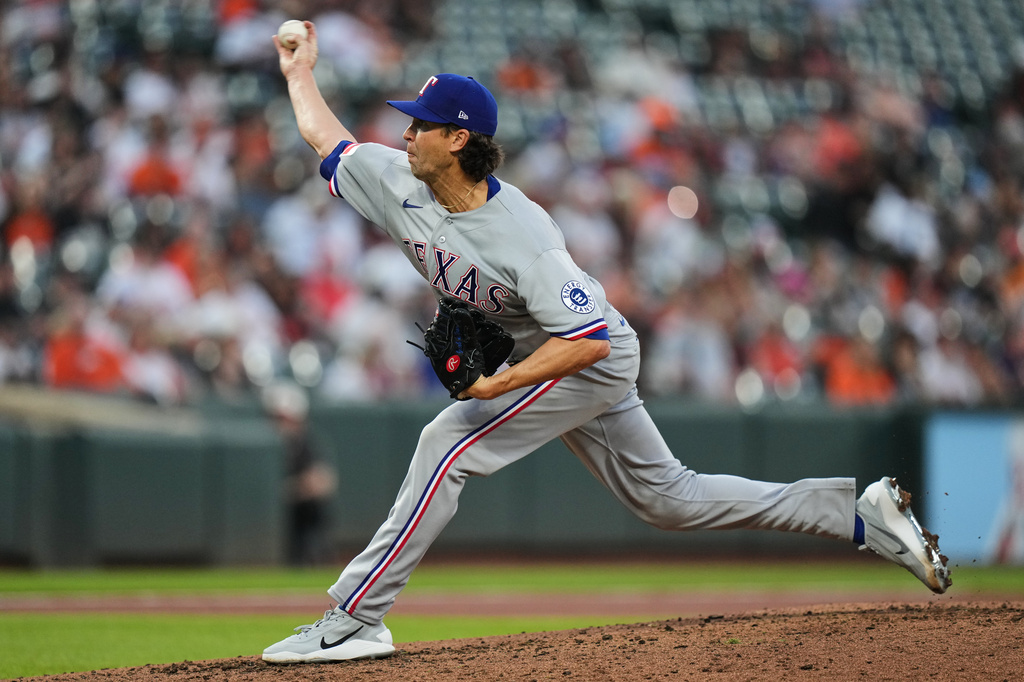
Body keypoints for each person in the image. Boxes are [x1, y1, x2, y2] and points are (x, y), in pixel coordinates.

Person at [263, 21, 951, 663]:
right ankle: (859, 516)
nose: (406, 132)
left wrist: (499, 384)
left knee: (448, 441)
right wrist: (302, 73)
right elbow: (327, 138)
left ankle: (357, 616)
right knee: (669, 499)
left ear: (459, 141)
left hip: (588, 355)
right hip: (553, 358)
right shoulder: (395, 181)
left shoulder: (525, 237)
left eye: (423, 124)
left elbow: (590, 339)